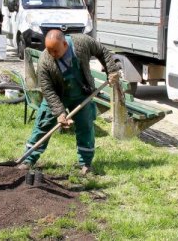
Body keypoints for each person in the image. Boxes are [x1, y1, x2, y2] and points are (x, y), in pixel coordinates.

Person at [18, 29, 121, 175]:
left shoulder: (82, 42)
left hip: (81, 94)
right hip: (56, 95)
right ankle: (28, 159)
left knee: (85, 126)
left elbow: (101, 51)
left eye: (55, 50)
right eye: (49, 50)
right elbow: (48, 90)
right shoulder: (44, 61)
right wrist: (60, 113)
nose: (52, 54)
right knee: (43, 124)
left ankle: (85, 163)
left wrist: (111, 70)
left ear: (65, 44)